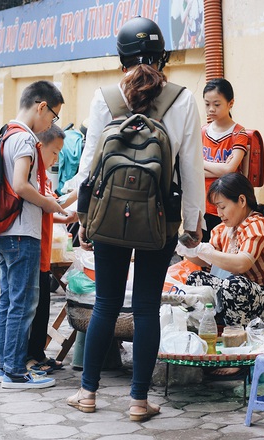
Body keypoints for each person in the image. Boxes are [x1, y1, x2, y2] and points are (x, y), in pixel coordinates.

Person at [66, 17, 205, 422]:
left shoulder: (104, 97)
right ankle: (139, 402)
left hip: (109, 217)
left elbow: (90, 168)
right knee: (145, 307)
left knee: (107, 302)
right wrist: (192, 226)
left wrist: (81, 219)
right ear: (163, 56)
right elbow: (191, 170)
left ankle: (88, 393)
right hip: (159, 220)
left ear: (121, 58)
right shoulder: (183, 99)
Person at [0, 80, 67, 389]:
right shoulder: (24, 140)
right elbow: (21, 185)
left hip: (5, 231)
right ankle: (14, 371)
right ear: (41, 106)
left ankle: (5, 365)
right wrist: (49, 203)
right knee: (22, 304)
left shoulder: (5, 134)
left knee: (9, 301)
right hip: (22, 232)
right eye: (53, 116)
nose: (51, 123)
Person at [176, 172, 264, 334]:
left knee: (236, 285)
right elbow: (207, 261)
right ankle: (210, 329)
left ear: (241, 200)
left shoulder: (258, 224)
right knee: (196, 279)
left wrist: (204, 250)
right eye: (217, 208)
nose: (219, 213)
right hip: (239, 300)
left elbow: (241, 264)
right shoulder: (221, 230)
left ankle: (235, 336)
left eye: (223, 207)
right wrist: (183, 248)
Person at [26, 124, 73, 373]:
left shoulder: (43, 177)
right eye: (54, 152)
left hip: (44, 252)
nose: (56, 158)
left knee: (43, 305)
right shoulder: (32, 176)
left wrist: (67, 217)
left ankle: (39, 355)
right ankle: (29, 359)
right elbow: (54, 203)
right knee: (33, 309)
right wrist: (79, 192)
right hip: (34, 250)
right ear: (40, 147)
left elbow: (53, 209)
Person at [201, 78, 249, 242]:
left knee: (226, 250)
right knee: (204, 250)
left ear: (231, 103)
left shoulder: (239, 133)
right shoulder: (202, 132)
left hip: (229, 205)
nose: (211, 109)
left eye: (217, 104)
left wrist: (201, 165)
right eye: (207, 104)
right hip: (205, 204)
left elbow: (230, 170)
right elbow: (192, 171)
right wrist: (221, 168)